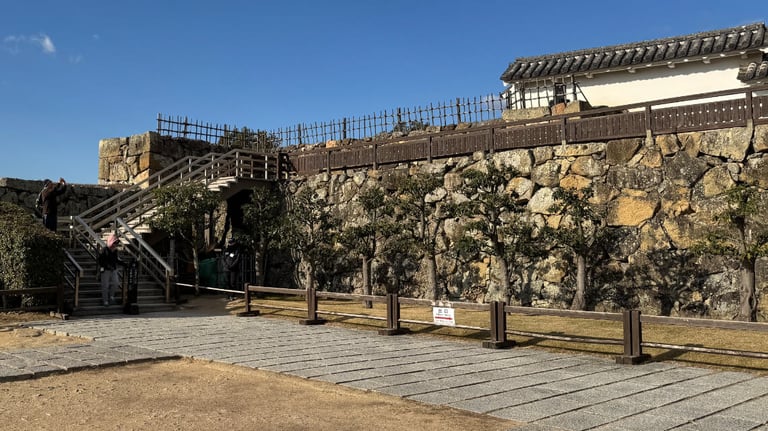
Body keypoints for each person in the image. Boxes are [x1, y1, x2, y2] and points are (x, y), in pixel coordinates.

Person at [98, 233, 123, 306]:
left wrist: (124, 264)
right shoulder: (104, 250)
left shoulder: (115, 251)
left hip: (113, 269)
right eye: (114, 243)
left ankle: (111, 296)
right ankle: (105, 300)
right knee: (105, 285)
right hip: (105, 270)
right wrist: (107, 266)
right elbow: (100, 261)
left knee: (116, 283)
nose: (115, 244)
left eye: (116, 243)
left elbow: (116, 260)